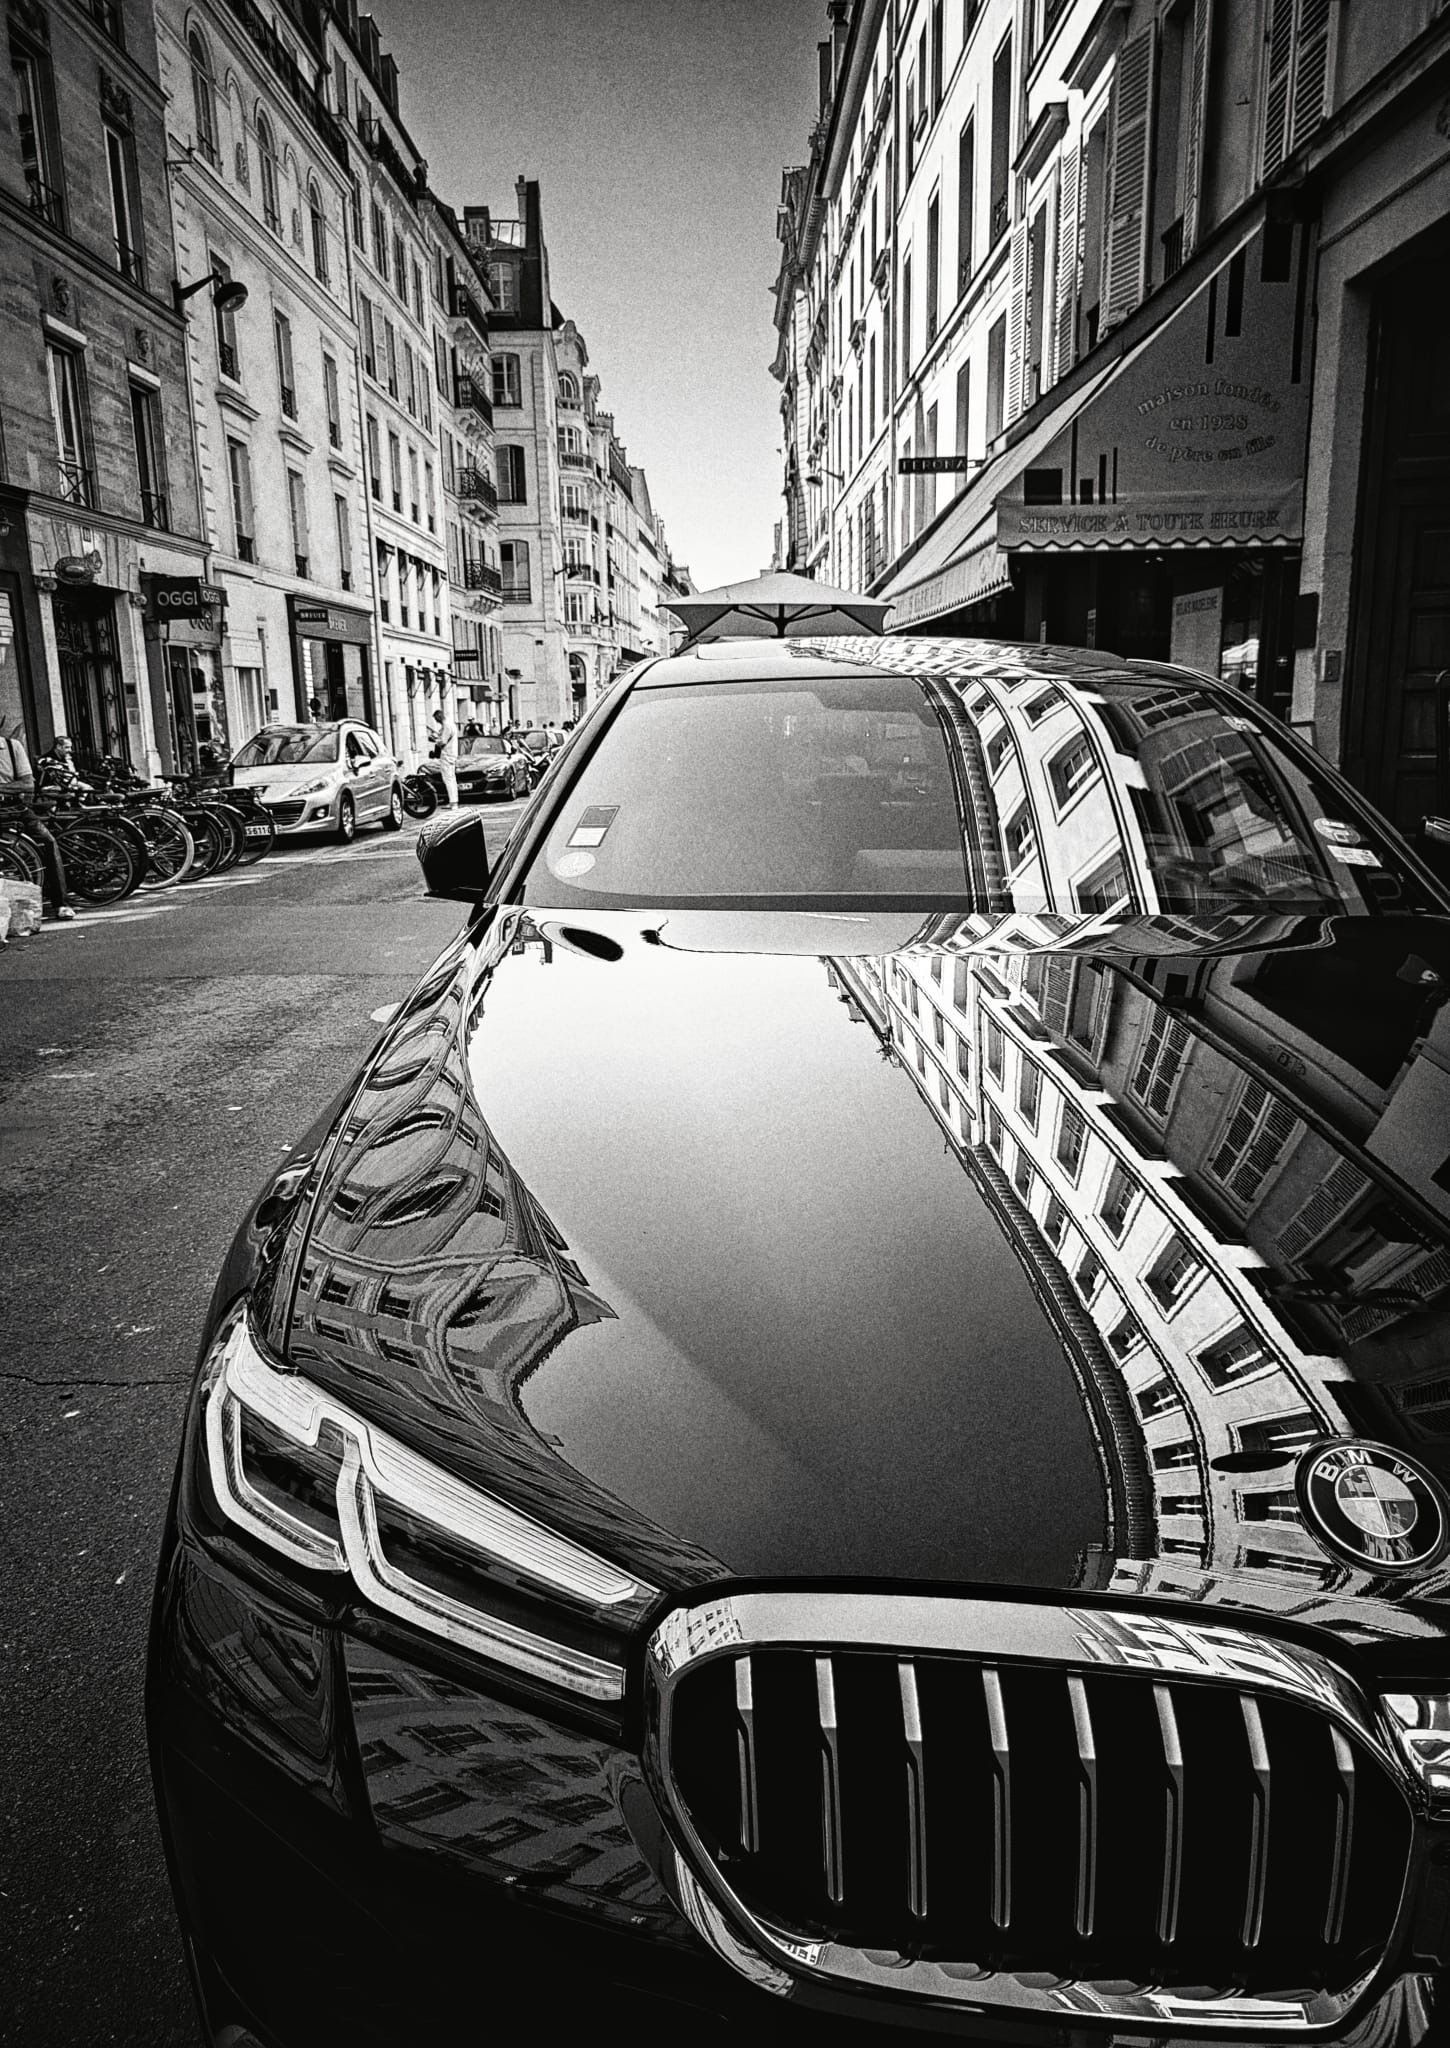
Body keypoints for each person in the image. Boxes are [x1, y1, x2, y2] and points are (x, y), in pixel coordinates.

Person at [0, 722, 75, 920]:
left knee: (48, 841)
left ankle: (62, 903)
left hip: (14, 807)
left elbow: (27, 784)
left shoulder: (11, 747)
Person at [429, 704, 458, 806]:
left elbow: (443, 742)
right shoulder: (451, 724)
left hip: (447, 755)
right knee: (451, 778)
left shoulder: (446, 726)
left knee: (448, 778)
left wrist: (434, 740)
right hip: (452, 754)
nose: (437, 721)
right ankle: (453, 801)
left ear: (439, 717)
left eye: (436, 719)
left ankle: (453, 802)